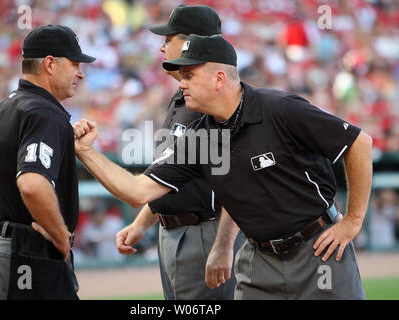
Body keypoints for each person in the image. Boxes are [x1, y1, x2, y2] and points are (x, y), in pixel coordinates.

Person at [72, 34, 372, 299]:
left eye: (189, 75)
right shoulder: (198, 138)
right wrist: (86, 152)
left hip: (317, 250)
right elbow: (137, 191)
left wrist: (353, 221)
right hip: (259, 261)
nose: (182, 83)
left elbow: (359, 143)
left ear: (219, 78)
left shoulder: (280, 109)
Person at [115, 4, 243, 300]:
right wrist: (141, 223)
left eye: (168, 39)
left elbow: (237, 184)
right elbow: (172, 175)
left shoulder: (216, 101)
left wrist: (223, 246)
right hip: (171, 232)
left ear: (189, 43)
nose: (161, 47)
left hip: (206, 231)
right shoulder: (182, 96)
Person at [0, 25, 95, 300]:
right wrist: (62, 237)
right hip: (24, 255)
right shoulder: (44, 112)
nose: (80, 72)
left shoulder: (9, 104)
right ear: (50, 64)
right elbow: (31, 184)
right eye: (74, 63)